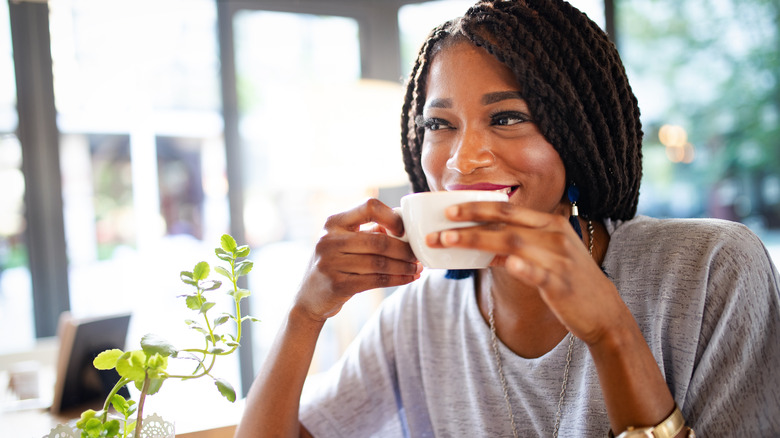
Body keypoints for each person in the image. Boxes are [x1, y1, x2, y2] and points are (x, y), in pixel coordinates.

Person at [234, 0, 780, 436]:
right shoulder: (419, 316)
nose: (461, 159)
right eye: (439, 124)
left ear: (576, 134)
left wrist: (612, 333)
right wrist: (306, 314)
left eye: (507, 116)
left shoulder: (711, 270)